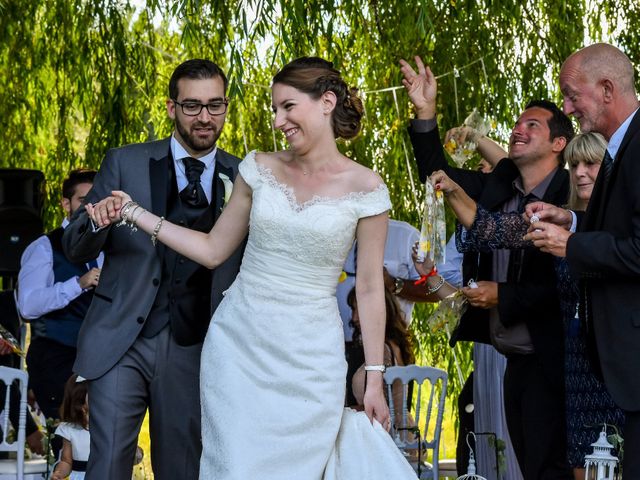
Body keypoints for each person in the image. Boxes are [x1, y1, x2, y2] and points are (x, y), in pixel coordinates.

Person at [87, 56, 416, 479]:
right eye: (275, 109)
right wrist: (135, 212)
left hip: (311, 357)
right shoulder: (258, 169)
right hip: (238, 347)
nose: (278, 121)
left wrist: (373, 376)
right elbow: (211, 249)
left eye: (288, 107)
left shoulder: (368, 189)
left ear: (327, 102)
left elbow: (370, 288)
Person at [61, 59, 245, 479]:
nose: (204, 117)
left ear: (225, 107)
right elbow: (73, 246)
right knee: (106, 466)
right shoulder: (125, 162)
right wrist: (96, 220)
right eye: (192, 105)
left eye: (215, 106)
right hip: (121, 338)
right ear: (170, 107)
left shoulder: (245, 174)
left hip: (197, 346)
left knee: (180, 468)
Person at [400, 55, 574, 479]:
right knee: (528, 465)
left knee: (550, 468)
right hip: (510, 355)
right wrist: (426, 113)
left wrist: (503, 295)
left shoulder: (573, 194)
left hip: (555, 357)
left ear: (558, 144)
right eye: (517, 122)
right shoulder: (499, 186)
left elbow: (568, 285)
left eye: (533, 125)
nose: (518, 129)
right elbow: (436, 175)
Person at [523, 43, 640, 479]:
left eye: (573, 95)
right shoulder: (620, 145)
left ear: (607, 89)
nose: (567, 107)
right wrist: (572, 218)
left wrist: (569, 245)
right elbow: (620, 229)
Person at [17, 168, 100, 421]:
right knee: (67, 446)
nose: (91, 208)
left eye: (96, 201)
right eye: (83, 201)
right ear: (66, 203)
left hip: (99, 361)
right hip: (55, 361)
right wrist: (78, 284)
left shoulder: (110, 247)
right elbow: (28, 306)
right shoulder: (43, 247)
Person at [51, 374, 90, 480]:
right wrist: (59, 473)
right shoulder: (70, 430)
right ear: (81, 406)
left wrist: (133, 455)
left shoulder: (110, 427)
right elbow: (66, 461)